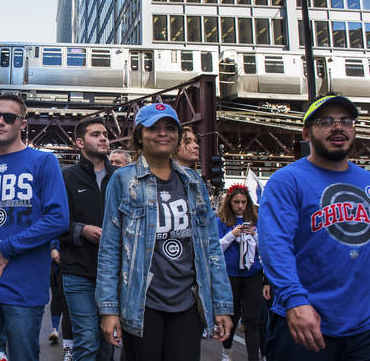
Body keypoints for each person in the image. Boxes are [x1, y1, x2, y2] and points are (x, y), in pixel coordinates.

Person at [96, 103, 233, 361]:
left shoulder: (193, 183)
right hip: (142, 302)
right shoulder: (123, 180)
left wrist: (222, 305)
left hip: (187, 302)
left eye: (170, 128)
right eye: (153, 128)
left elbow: (211, 248)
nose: (162, 133)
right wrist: (108, 309)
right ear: (139, 135)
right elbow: (110, 247)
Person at [0, 94, 70, 360]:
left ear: (23, 123)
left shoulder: (44, 162)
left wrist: (8, 248)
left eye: (9, 117)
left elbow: (58, 218)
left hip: (24, 284)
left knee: (23, 355)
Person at [259, 94, 370, 360]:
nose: (338, 127)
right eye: (326, 121)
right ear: (307, 133)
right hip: (304, 323)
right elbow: (275, 245)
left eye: (346, 121)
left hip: (362, 329)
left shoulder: (366, 180)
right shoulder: (286, 181)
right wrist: (294, 300)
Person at [60, 117, 117, 360]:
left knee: (109, 341)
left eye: (105, 134)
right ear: (80, 142)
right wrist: (81, 230)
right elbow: (53, 222)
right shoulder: (66, 177)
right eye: (96, 134)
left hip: (113, 275)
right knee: (87, 341)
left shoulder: (121, 178)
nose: (104, 138)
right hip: (78, 271)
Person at [217, 184, 262, 361]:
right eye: (236, 202)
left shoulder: (256, 221)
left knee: (252, 318)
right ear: (230, 202)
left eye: (243, 202)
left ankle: (254, 357)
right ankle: (226, 351)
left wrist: (255, 235)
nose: (240, 205)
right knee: (232, 317)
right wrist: (232, 235)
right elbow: (216, 248)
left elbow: (266, 249)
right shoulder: (221, 221)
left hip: (253, 274)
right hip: (230, 274)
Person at [49, 241, 75, 361]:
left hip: (81, 264)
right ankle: (68, 348)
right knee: (62, 302)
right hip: (60, 266)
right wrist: (53, 248)